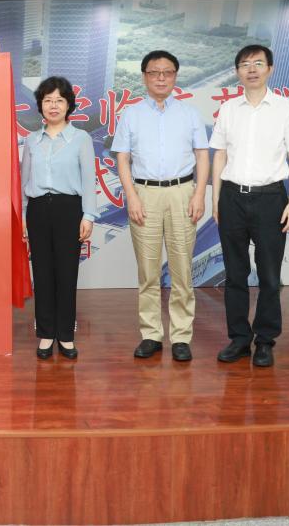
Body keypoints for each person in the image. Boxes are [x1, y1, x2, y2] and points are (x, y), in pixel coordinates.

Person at [210, 44, 289, 367]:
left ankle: (265, 340)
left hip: (270, 199)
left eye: (258, 63)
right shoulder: (228, 109)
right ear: (237, 72)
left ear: (270, 69)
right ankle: (239, 338)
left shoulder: (286, 108)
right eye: (245, 64)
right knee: (235, 273)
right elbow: (219, 155)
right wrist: (216, 199)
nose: (251, 69)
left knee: (269, 275)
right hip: (232, 197)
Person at [112, 50, 209, 363]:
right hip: (145, 194)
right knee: (148, 270)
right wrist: (132, 196)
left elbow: (202, 155)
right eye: (154, 72)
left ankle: (181, 336)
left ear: (175, 76)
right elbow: (123, 159)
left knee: (182, 270)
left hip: (182, 193)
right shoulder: (131, 114)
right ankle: (151, 334)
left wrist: (199, 194)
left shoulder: (190, 114)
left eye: (167, 72)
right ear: (144, 77)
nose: (161, 78)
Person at [21, 76, 97, 360]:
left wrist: (88, 215)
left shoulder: (81, 139)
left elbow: (88, 180)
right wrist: (24, 216)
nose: (53, 106)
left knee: (67, 274)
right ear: (40, 105)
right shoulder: (31, 140)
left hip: (69, 210)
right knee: (42, 274)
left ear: (68, 105)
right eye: (48, 100)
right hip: (38, 210)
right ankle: (45, 334)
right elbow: (24, 181)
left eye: (59, 100)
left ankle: (65, 334)